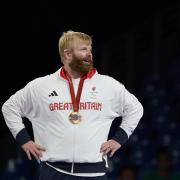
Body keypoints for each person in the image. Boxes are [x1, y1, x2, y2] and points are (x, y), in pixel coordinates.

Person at [1, 30, 144, 180]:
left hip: (95, 173)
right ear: (68, 54)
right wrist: (24, 140)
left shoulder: (108, 85)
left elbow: (135, 109)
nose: (89, 53)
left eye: (90, 49)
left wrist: (118, 138)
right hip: (53, 171)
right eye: (83, 49)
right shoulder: (41, 86)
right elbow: (9, 108)